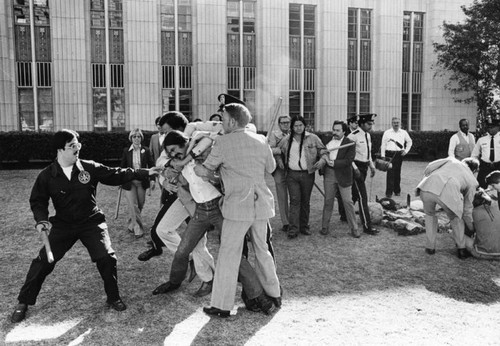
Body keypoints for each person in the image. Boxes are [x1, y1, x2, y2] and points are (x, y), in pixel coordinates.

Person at [10, 129, 161, 323]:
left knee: (106, 257)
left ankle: (113, 297)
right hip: (64, 225)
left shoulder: (89, 168)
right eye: (72, 146)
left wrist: (145, 172)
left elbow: (116, 173)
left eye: (78, 145)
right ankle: (23, 301)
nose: (77, 149)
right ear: (59, 150)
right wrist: (42, 220)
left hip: (91, 222)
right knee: (42, 262)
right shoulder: (47, 175)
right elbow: (38, 201)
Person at [152, 131, 275, 313]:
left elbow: (220, 168)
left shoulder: (204, 152)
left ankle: (260, 297)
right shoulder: (178, 163)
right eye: (169, 153)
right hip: (200, 212)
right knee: (182, 250)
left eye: (174, 150)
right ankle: (174, 281)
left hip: (219, 209)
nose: (173, 155)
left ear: (185, 143)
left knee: (234, 255)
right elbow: (163, 167)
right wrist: (167, 178)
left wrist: (209, 175)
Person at [194, 103, 281, 318]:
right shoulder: (261, 140)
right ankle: (274, 294)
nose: (221, 123)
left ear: (233, 121)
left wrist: (199, 168)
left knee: (228, 255)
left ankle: (221, 305)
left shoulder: (222, 142)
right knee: (263, 250)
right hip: (261, 204)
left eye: (223, 119)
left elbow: (206, 170)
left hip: (237, 207)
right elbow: (271, 168)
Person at [137, 111, 189, 261]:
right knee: (158, 229)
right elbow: (160, 164)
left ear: (179, 128)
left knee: (196, 239)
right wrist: (164, 180)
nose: (164, 135)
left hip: (192, 198)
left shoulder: (194, 144)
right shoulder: (170, 147)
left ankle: (190, 263)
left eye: (166, 131)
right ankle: (160, 249)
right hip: (174, 194)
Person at [416, 157, 479, 259]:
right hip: (449, 189)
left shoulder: (451, 160)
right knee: (456, 218)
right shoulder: (473, 181)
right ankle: (461, 250)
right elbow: (467, 209)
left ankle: (430, 248)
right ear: (475, 170)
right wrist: (471, 228)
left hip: (427, 185)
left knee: (430, 215)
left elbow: (428, 167)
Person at [277, 116, 326, 239]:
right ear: (292, 127)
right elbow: (276, 150)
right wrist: (279, 160)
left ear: (304, 126)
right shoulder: (287, 140)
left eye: (300, 125)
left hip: (307, 174)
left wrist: (323, 160)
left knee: (305, 201)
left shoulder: (313, 138)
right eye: (295, 126)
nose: (298, 128)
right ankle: (293, 229)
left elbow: (323, 150)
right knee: (294, 201)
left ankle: (304, 226)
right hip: (292, 175)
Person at [321, 121, 360, 237]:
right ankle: (324, 227)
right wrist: (323, 155)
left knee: (348, 202)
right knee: (328, 201)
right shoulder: (327, 141)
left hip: (343, 174)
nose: (335, 132)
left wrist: (334, 163)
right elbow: (322, 152)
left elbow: (349, 160)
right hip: (329, 174)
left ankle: (354, 228)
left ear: (344, 131)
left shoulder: (350, 143)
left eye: (338, 130)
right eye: (334, 130)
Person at [348, 113, 379, 235]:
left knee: (355, 194)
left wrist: (371, 166)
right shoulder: (353, 136)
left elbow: (368, 153)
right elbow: (348, 155)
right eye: (368, 124)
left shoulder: (368, 135)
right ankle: (367, 226)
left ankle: (344, 214)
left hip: (364, 167)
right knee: (362, 197)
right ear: (361, 124)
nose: (371, 126)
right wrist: (355, 169)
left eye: (372, 124)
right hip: (355, 167)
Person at [120, 128, 155, 238]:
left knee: (140, 204)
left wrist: (153, 179)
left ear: (141, 138)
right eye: (134, 136)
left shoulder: (146, 150)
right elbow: (122, 167)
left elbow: (151, 166)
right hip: (129, 182)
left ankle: (131, 223)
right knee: (133, 205)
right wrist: (119, 180)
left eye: (138, 136)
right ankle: (138, 228)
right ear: (131, 138)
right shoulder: (126, 151)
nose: (136, 138)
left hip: (142, 182)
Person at [465, 171, 500, 259]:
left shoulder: (474, 212)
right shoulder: (495, 204)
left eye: (492, 185)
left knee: (457, 232)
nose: (491, 188)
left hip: (483, 253)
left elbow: (471, 229)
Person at [268, 115, 291, 233]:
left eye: (287, 122)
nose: (285, 124)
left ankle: (294, 221)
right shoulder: (274, 134)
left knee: (295, 195)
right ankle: (286, 222)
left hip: (292, 167)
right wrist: (280, 151)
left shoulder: (294, 134)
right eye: (283, 123)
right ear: (279, 124)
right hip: (279, 169)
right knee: (282, 196)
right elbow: (269, 149)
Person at [380, 117, 413, 198]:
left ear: (400, 123)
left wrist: (405, 151)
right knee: (390, 173)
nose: (396, 124)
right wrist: (383, 156)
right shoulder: (387, 132)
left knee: (397, 173)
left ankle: (397, 191)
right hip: (389, 154)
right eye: (394, 122)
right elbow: (383, 144)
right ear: (392, 123)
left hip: (399, 155)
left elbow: (409, 142)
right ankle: (389, 192)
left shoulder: (403, 132)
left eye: (397, 122)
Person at [472, 118, 500, 188]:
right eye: (488, 127)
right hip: (485, 167)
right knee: (482, 186)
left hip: (498, 166)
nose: (490, 129)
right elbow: (474, 155)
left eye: (492, 127)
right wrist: (475, 166)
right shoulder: (481, 140)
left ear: (498, 127)